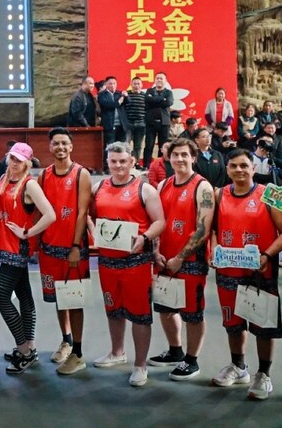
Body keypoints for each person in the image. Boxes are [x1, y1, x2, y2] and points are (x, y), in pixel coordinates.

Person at [208, 149, 282, 399]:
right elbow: (212, 229)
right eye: (234, 166)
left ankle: (263, 374)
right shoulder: (219, 194)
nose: (239, 170)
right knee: (233, 323)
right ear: (228, 169)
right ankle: (238, 366)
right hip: (228, 270)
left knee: (262, 324)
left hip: (259, 272)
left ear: (253, 168)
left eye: (244, 165)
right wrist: (213, 251)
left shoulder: (268, 195)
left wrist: (266, 255)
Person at [88, 143, 165, 387]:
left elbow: (160, 221)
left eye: (123, 161)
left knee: (140, 315)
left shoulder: (145, 190)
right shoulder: (98, 187)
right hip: (107, 261)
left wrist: (144, 237)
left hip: (136, 262)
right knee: (113, 308)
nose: (118, 165)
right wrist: (92, 229)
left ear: (132, 161)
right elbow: (88, 215)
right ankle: (117, 351)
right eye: (113, 161)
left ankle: (140, 365)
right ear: (107, 162)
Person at [148, 137, 215, 382]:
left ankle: (192, 359)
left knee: (193, 313)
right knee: (166, 308)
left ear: (193, 158)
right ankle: (175, 350)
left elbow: (203, 229)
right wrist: (156, 251)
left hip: (190, 260)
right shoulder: (163, 185)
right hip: (164, 258)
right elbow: (156, 221)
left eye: (185, 155)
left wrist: (180, 257)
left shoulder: (202, 187)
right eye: (175, 155)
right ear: (169, 158)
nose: (180, 159)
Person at [0, 142, 57, 374]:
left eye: (19, 160)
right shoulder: (4, 180)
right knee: (24, 296)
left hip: (17, 249)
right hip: (3, 247)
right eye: (12, 158)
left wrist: (27, 232)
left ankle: (24, 350)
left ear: (27, 162)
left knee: (1, 296)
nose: (14, 163)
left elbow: (50, 214)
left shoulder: (30, 185)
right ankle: (30, 346)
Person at [36, 127, 93, 374]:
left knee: (74, 300)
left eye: (64, 143)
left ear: (71, 146)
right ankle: (66, 340)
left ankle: (78, 352)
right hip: (49, 248)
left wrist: (76, 246)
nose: (60, 147)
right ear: (50, 147)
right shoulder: (44, 176)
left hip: (72, 249)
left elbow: (82, 212)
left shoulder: (81, 174)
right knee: (60, 299)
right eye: (56, 143)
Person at [143, 73, 174, 168]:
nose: (159, 80)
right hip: (150, 122)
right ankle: (146, 165)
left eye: (161, 78)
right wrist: (161, 100)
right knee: (149, 145)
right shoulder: (149, 91)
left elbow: (169, 102)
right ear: (154, 80)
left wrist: (154, 100)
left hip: (164, 122)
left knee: (163, 145)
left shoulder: (168, 92)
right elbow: (147, 101)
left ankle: (161, 165)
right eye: (157, 78)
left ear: (165, 80)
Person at [121, 77, 148, 167]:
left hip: (141, 124)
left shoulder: (145, 96)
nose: (136, 86)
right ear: (131, 84)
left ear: (141, 85)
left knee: (138, 145)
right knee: (126, 144)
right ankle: (125, 161)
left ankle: (135, 162)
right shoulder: (126, 95)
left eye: (138, 84)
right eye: (134, 84)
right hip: (128, 124)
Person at [97, 76, 124, 162]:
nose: (112, 85)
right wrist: (119, 102)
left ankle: (119, 163)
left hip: (121, 124)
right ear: (106, 84)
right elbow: (108, 105)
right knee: (109, 146)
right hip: (109, 124)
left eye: (114, 83)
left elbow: (128, 102)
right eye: (110, 83)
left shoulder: (119, 94)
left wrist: (126, 96)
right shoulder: (102, 95)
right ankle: (106, 165)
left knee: (120, 146)